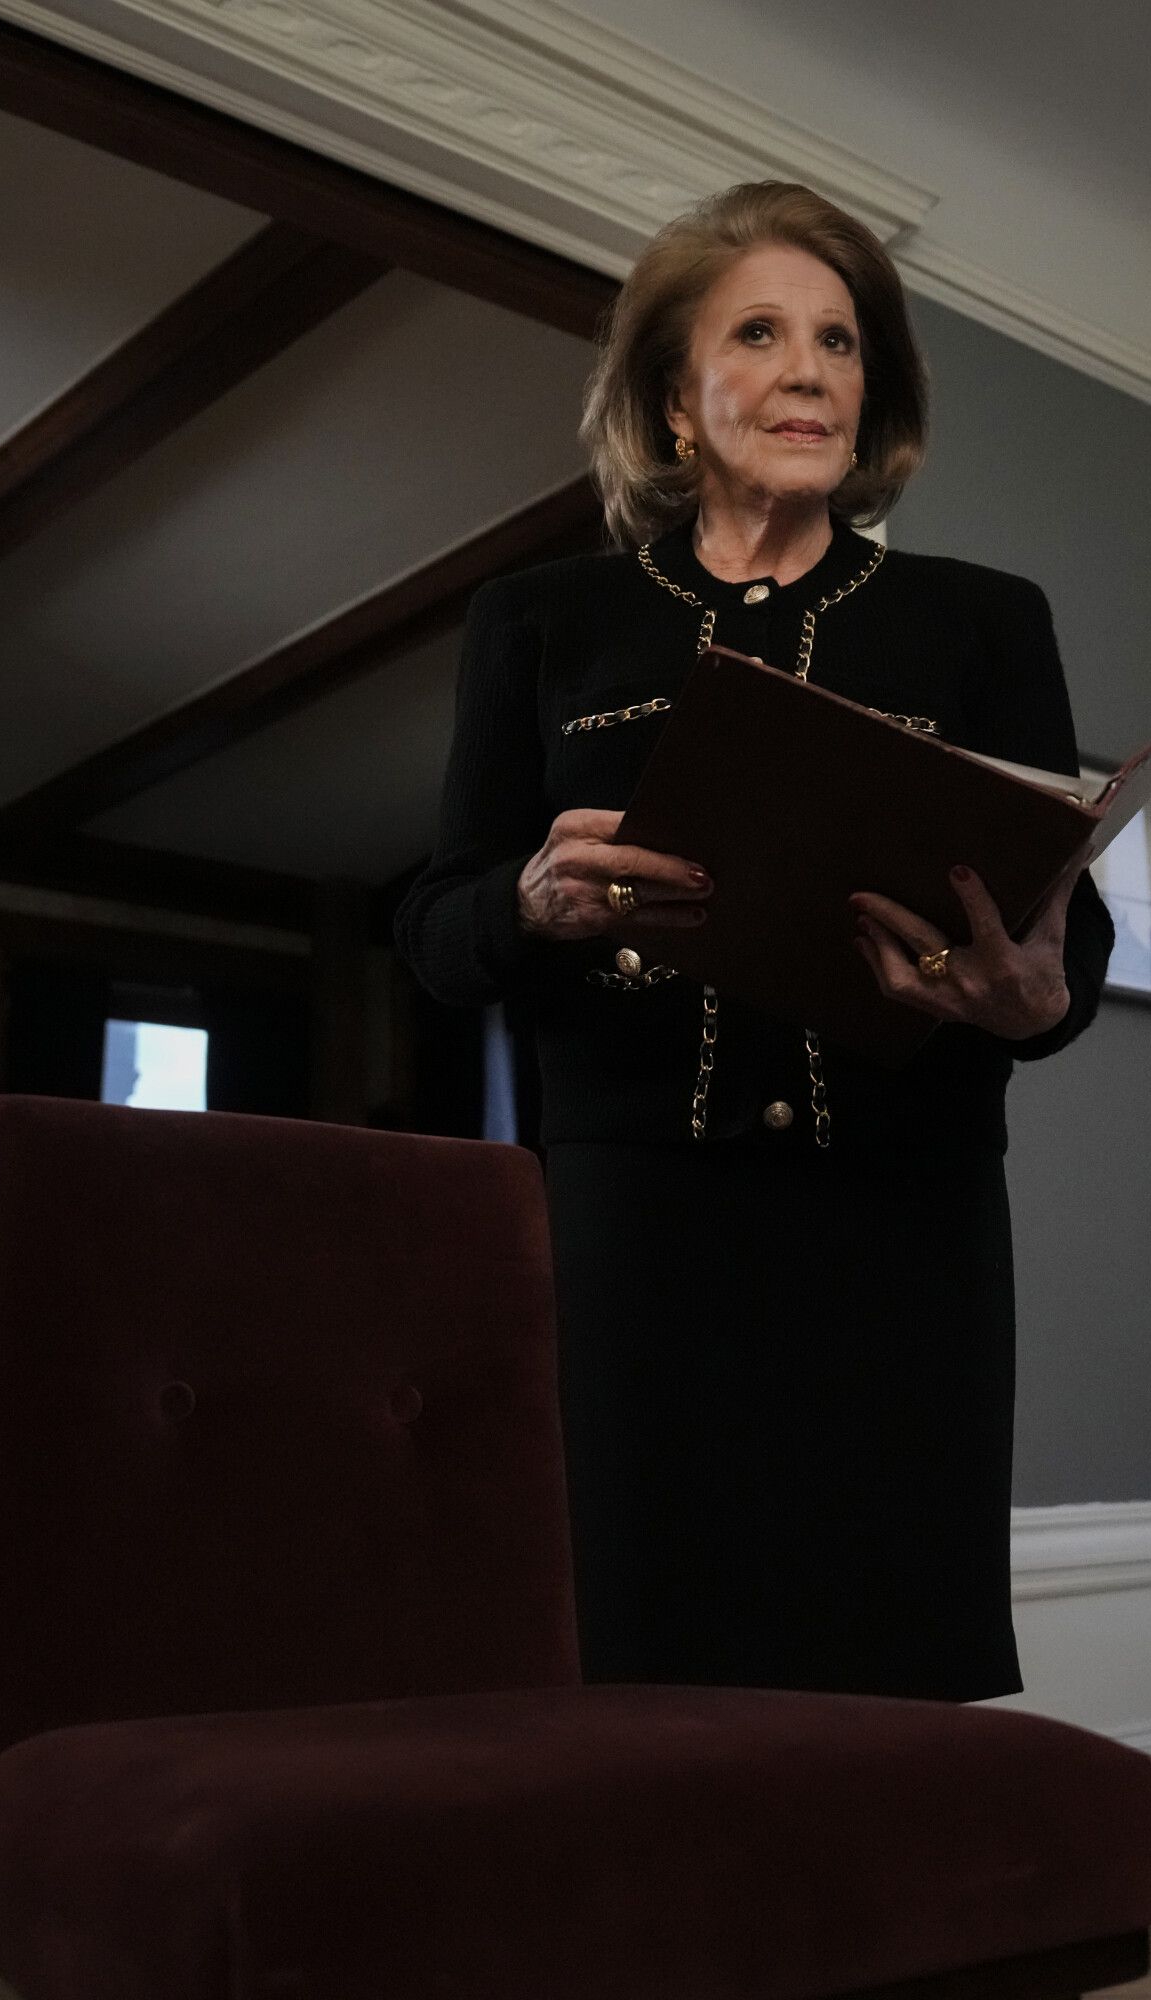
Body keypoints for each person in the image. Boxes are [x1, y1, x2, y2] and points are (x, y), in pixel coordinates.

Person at [394, 180, 1113, 1702]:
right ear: (673, 397)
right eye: (765, 333)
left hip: (904, 1219)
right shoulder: (536, 622)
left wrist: (1037, 996)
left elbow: (1067, 949)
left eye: (842, 342)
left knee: (891, 1661)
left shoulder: (986, 621)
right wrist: (529, 904)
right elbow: (437, 935)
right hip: (634, 1224)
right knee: (648, 1654)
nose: (810, 372)